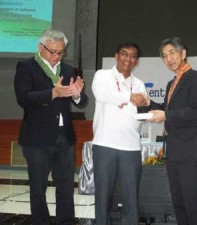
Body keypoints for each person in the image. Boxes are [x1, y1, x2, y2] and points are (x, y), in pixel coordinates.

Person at [14, 29, 87, 225]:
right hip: (37, 138)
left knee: (65, 185)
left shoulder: (68, 70)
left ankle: (66, 221)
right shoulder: (26, 67)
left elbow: (82, 102)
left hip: (65, 137)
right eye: (53, 52)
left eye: (61, 52)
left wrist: (77, 95)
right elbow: (23, 98)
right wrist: (52, 93)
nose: (57, 56)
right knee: (38, 187)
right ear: (41, 47)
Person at [149, 37, 197, 225]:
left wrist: (165, 115)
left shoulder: (195, 77)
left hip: (190, 148)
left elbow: (195, 111)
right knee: (178, 201)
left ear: (183, 53)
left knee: (193, 201)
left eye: (172, 53)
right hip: (174, 149)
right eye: (165, 56)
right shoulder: (171, 83)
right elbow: (167, 109)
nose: (169, 59)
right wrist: (146, 103)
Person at [91, 42, 149, 225]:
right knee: (103, 198)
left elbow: (141, 114)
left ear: (136, 61)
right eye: (124, 54)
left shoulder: (139, 83)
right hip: (105, 144)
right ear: (116, 56)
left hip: (131, 147)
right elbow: (101, 94)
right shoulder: (102, 75)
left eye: (133, 56)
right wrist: (129, 97)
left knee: (131, 198)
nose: (128, 59)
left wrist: (149, 113)